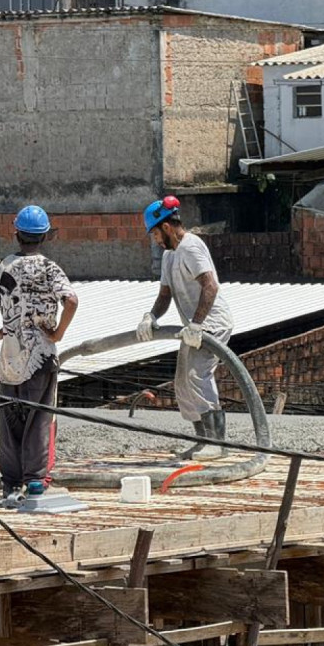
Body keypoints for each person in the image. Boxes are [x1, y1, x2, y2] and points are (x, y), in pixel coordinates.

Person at [0, 205, 78, 501]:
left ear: (16, 233)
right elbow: (72, 300)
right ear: (46, 236)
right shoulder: (50, 269)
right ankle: (36, 480)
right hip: (41, 355)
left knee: (10, 418)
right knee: (39, 417)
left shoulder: (1, 266)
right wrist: (58, 333)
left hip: (9, 355)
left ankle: (11, 483)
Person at [135, 196, 234, 460]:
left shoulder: (191, 247)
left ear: (166, 227)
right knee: (182, 382)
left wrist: (197, 324)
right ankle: (203, 441)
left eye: (155, 233)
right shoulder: (169, 256)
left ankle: (218, 443)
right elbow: (165, 295)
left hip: (211, 323)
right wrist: (151, 316)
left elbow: (210, 286)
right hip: (194, 326)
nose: (155, 239)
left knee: (197, 375)